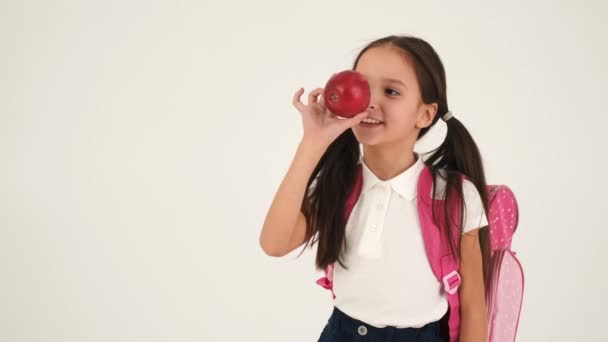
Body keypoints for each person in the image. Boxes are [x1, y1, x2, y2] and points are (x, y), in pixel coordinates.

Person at [259, 35, 490, 342]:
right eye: (363, 87)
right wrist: (312, 143)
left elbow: (475, 306)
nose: (369, 102)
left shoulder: (455, 196)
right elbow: (274, 243)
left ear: (425, 114)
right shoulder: (337, 186)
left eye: (391, 91)